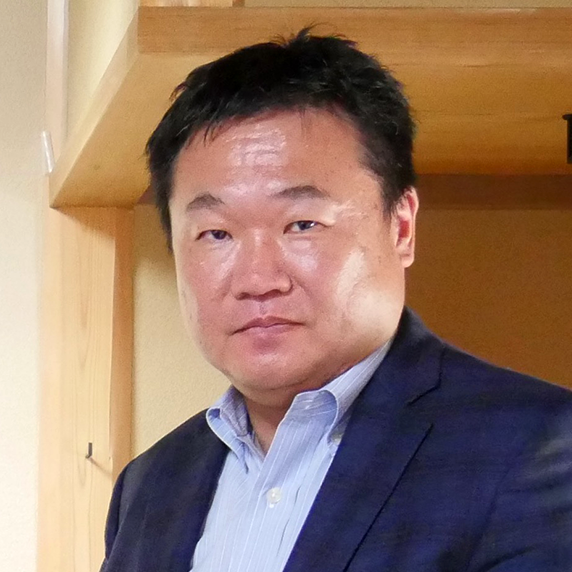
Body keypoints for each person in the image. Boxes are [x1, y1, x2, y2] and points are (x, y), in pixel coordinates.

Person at [100, 29, 572, 572]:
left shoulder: (536, 445)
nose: (258, 278)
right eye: (216, 233)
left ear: (401, 227)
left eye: (302, 224)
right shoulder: (149, 485)